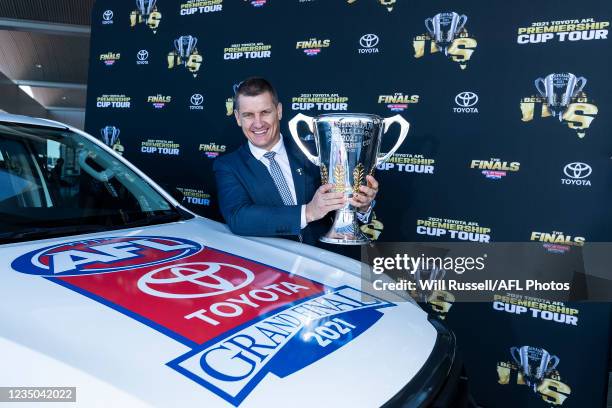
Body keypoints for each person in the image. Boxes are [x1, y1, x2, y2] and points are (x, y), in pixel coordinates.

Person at [213, 77, 378, 247]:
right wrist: (308, 212)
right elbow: (239, 218)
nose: (258, 123)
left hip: (329, 260)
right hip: (274, 267)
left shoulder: (315, 152)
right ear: (238, 118)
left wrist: (361, 205)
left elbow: (342, 200)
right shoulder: (228, 166)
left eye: (265, 112)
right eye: (248, 115)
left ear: (279, 111)